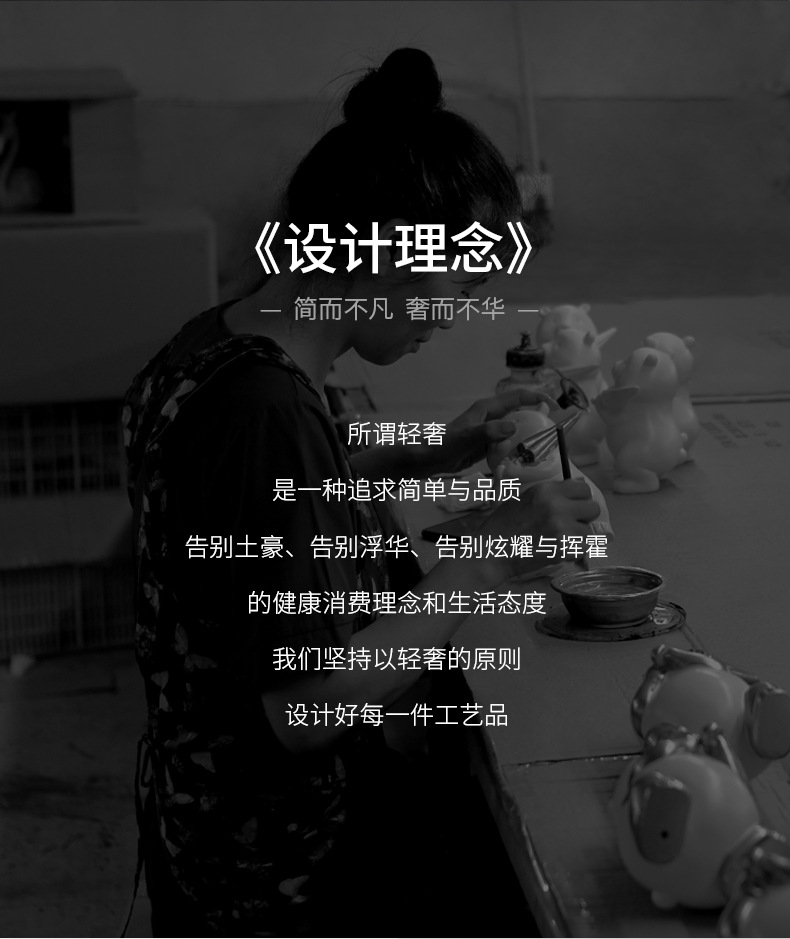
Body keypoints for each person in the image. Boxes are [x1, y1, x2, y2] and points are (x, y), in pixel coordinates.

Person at [123, 47, 600, 937]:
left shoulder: (223, 343)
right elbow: (305, 710)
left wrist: (433, 448)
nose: (456, 312)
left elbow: (279, 488)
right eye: (460, 281)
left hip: (201, 828)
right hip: (279, 876)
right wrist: (485, 557)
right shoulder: (264, 409)